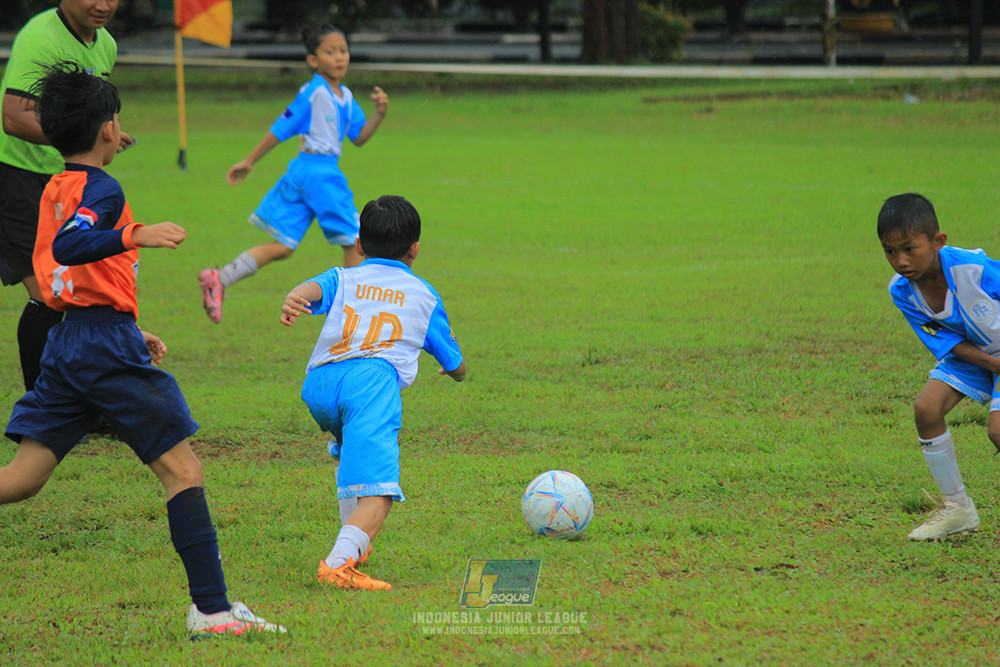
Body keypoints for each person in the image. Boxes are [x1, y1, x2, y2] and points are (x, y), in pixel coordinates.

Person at [0, 63, 285, 639]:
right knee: (183, 469)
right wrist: (135, 233)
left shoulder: (59, 185)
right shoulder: (103, 190)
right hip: (100, 346)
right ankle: (212, 612)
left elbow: (69, 270)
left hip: (74, 337)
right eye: (117, 120)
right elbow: (75, 245)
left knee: (22, 479)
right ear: (108, 130)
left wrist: (130, 323)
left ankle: (214, 610)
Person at [280, 194, 466, 590]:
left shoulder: (344, 276)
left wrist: (294, 297)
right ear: (415, 248)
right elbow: (457, 368)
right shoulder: (424, 294)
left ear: (360, 245)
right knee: (380, 492)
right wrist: (452, 367)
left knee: (352, 460)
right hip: (371, 385)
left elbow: (311, 288)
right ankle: (338, 565)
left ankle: (353, 543)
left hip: (320, 383)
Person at [199, 23, 389, 324]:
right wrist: (250, 160)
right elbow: (282, 127)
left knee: (284, 246)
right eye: (330, 52)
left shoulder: (346, 96)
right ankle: (354, 316)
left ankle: (219, 278)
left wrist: (379, 114)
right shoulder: (314, 92)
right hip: (318, 173)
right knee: (355, 237)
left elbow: (360, 137)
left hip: (303, 173)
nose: (339, 57)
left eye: (343, 50)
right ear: (313, 60)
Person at [0, 0, 135, 391]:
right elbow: (13, 117)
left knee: (83, 291)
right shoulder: (42, 38)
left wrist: (102, 133)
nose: (102, 4)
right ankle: (42, 407)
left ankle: (81, 401)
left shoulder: (105, 44)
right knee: (47, 293)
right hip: (22, 178)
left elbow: (91, 110)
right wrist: (84, 135)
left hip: (71, 180)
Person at [880, 192, 1000, 541]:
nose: (900, 261)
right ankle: (957, 509)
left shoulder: (971, 269)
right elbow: (946, 343)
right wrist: (993, 364)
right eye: (890, 252)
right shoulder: (901, 291)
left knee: (997, 432)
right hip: (975, 356)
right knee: (927, 408)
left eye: (909, 248)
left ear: (937, 241)